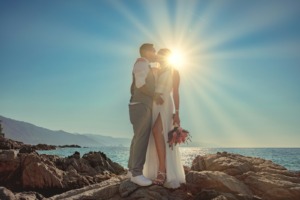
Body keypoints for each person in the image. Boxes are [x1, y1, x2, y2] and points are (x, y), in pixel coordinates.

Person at [143, 48, 185, 188]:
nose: (160, 58)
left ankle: (163, 170)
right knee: (154, 135)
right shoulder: (154, 70)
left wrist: (177, 113)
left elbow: (176, 93)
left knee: (157, 130)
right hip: (154, 104)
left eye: (163, 56)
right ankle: (156, 169)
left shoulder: (174, 72)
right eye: (159, 56)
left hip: (165, 103)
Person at [128, 43, 163, 186]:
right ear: (147, 52)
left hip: (140, 105)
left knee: (138, 137)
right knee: (141, 138)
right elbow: (140, 84)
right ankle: (136, 173)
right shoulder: (141, 63)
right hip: (141, 105)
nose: (155, 53)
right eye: (153, 50)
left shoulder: (146, 65)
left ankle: (131, 170)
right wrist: (154, 95)